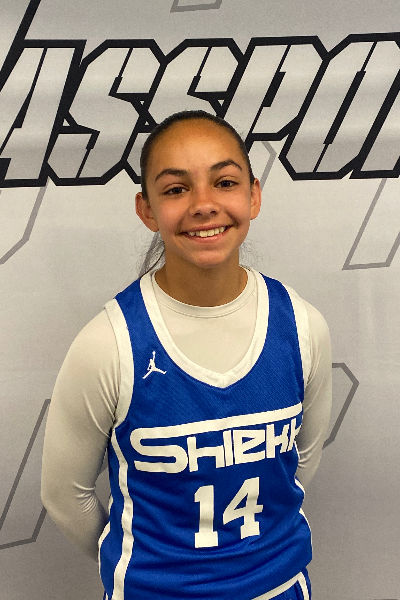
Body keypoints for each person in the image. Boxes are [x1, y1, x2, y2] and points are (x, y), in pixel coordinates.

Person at [41, 110, 332, 600]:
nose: (203, 205)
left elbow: (299, 464)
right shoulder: (109, 344)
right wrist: (149, 566)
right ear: (147, 209)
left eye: (224, 182)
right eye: (176, 189)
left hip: (280, 586)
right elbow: (64, 497)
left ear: (254, 195)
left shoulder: (302, 327)